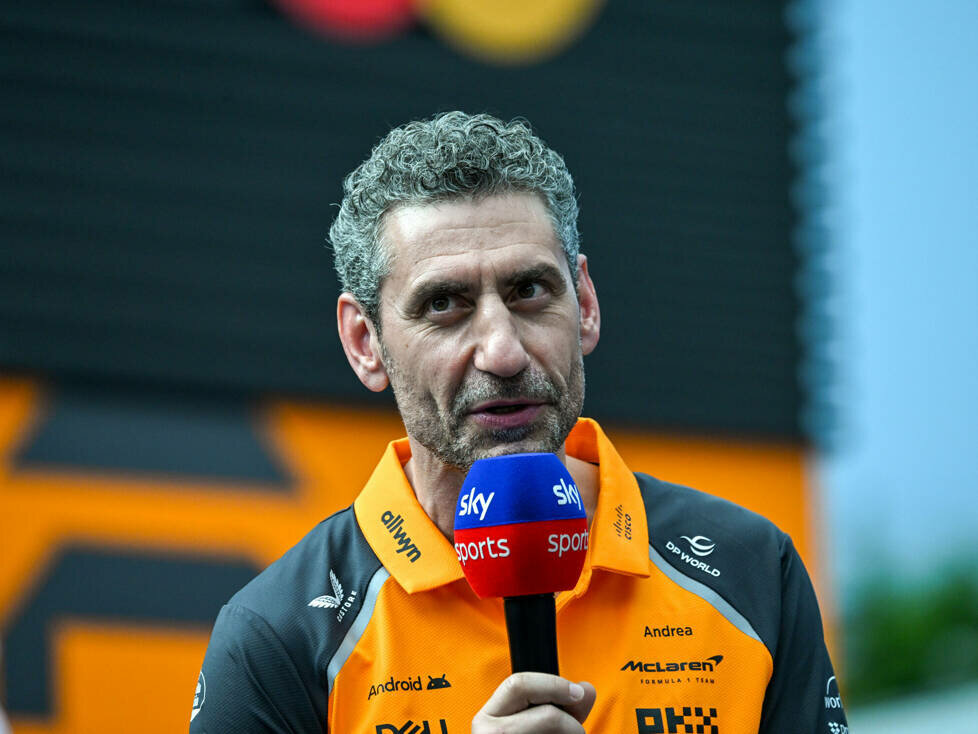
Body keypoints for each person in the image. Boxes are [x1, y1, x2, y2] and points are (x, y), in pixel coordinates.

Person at [190, 111, 848, 733]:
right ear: (366, 343)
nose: (503, 352)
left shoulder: (750, 571)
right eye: (443, 304)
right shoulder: (276, 636)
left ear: (584, 304)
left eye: (529, 291)